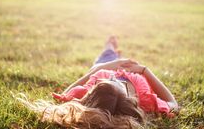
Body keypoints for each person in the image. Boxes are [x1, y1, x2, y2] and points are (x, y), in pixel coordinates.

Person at [16, 36, 178, 129]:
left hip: (103, 64)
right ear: (129, 101)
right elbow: (173, 104)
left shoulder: (84, 92)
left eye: (107, 80)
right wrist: (144, 70)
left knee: (107, 53)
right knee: (112, 53)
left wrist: (106, 67)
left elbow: (64, 94)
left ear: (89, 95)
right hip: (132, 69)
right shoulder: (144, 100)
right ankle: (113, 45)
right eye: (116, 82)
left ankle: (111, 44)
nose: (113, 76)